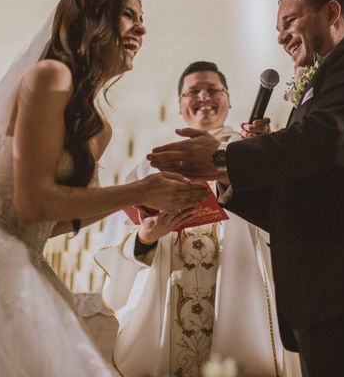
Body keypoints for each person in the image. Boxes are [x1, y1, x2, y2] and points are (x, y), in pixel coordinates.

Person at [0, 0, 208, 376]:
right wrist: (140, 189)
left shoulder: (98, 129)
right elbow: (33, 203)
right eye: (128, 15)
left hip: (27, 261)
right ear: (90, 21)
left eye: (142, 19)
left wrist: (145, 210)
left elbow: (49, 223)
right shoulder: (49, 76)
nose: (141, 29)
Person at [147, 0, 344, 376]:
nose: (282, 36)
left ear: (332, 11)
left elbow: (331, 140)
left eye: (290, 21)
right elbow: (299, 197)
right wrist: (233, 176)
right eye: (278, 29)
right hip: (325, 297)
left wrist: (222, 157)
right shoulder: (317, 92)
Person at [95, 61, 296, 376]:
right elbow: (124, 240)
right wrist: (146, 237)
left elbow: (281, 221)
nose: (204, 96)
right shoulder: (152, 166)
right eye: (193, 92)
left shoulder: (251, 154)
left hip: (240, 299)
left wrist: (256, 159)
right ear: (179, 106)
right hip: (167, 307)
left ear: (228, 100)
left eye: (213, 90)